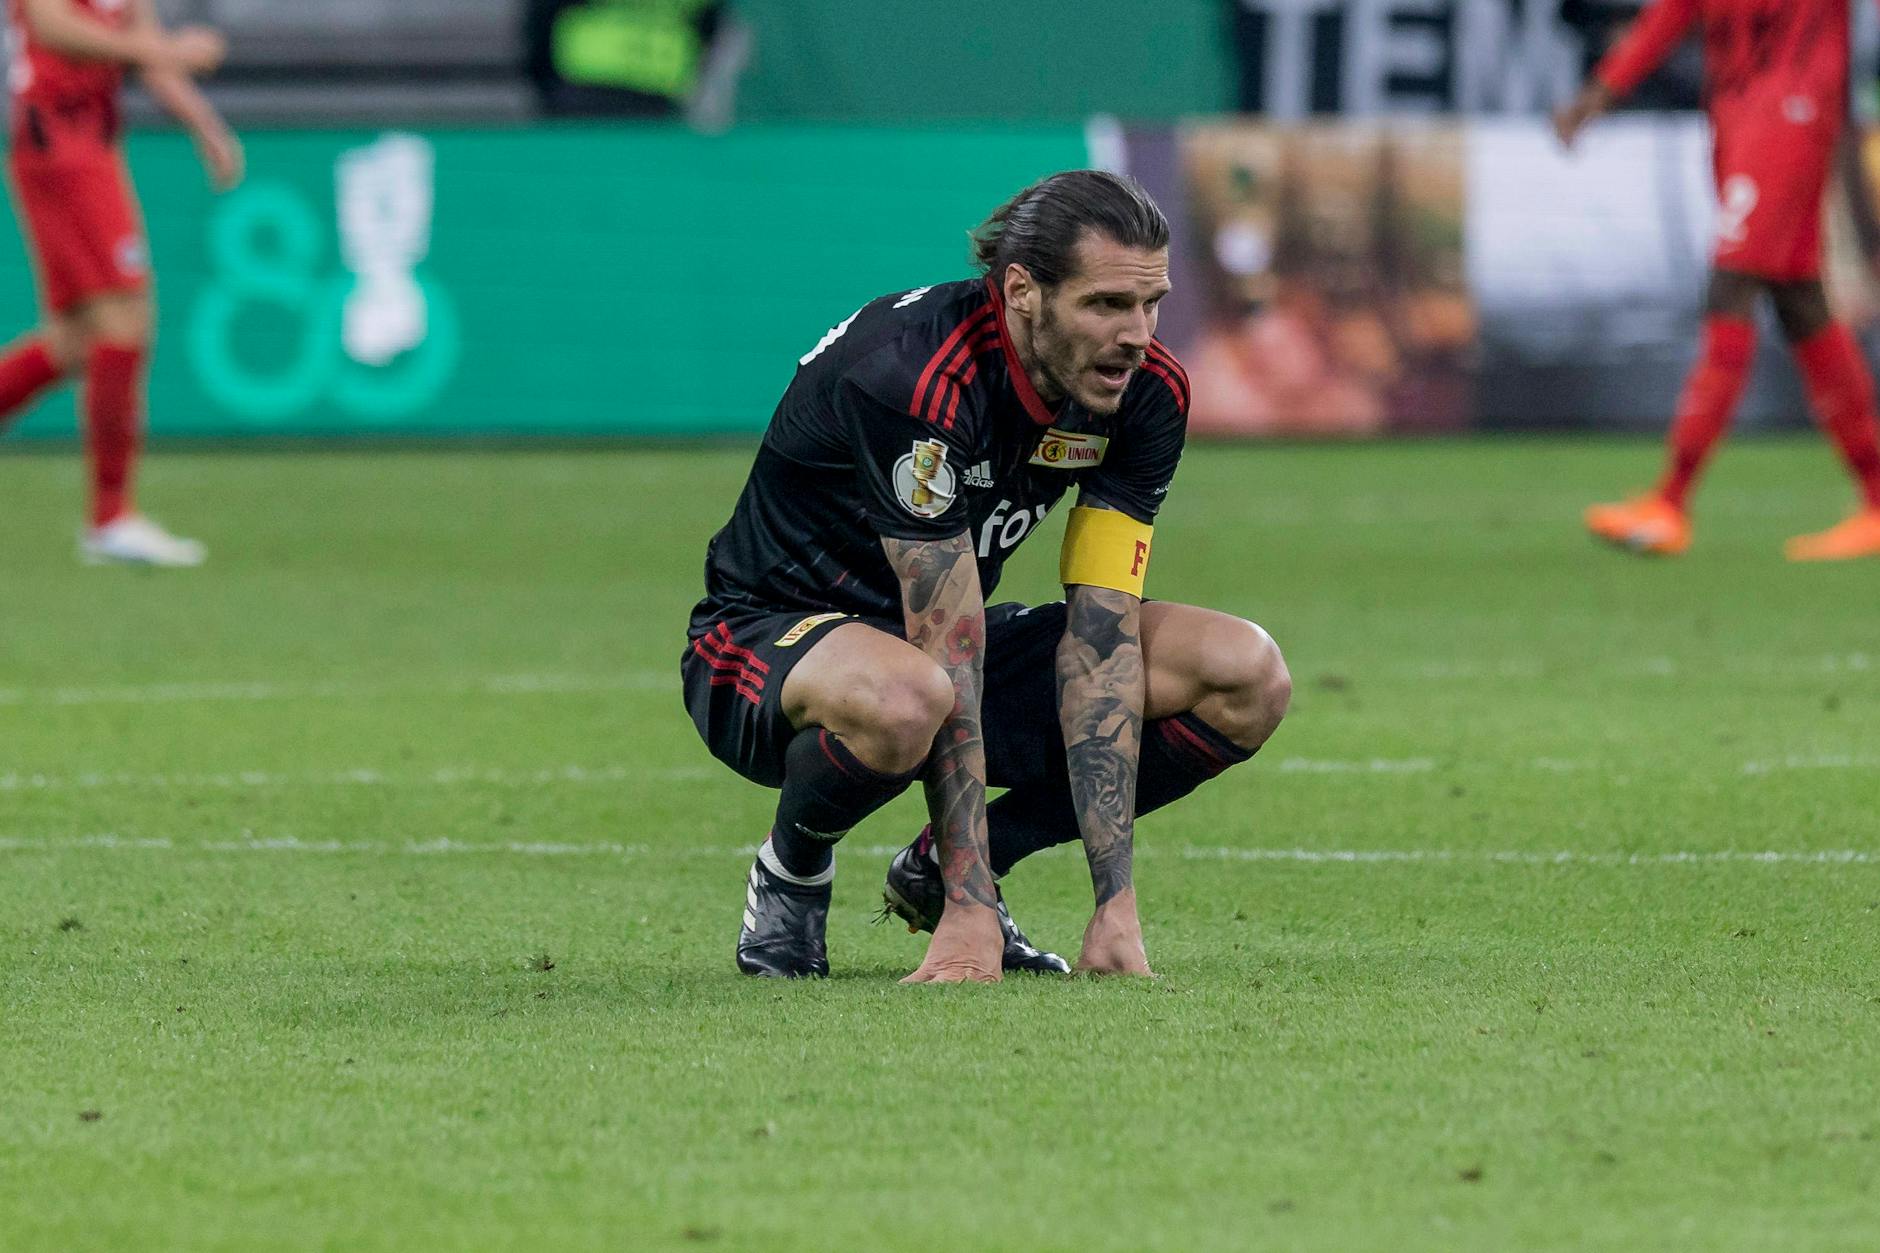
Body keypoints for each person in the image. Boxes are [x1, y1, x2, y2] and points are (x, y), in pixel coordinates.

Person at [681, 170, 1292, 982]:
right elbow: (947, 648)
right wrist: (972, 914)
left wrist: (1114, 900)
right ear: (1023, 291)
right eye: (1106, 304)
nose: (1138, 335)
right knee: (911, 694)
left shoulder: (1144, 396)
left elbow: (1103, 631)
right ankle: (793, 867)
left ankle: (948, 863)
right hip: (766, 640)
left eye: (1151, 303)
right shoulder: (917, 378)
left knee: (1245, 673)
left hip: (937, 638)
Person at [1556, 0, 1880, 561]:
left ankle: (1671, 500)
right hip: (1736, 111)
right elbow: (1670, 13)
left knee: (1732, 286)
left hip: (1792, 110)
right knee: (1800, 302)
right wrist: (1602, 92)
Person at [0, 0, 242, 566]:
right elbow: (52, 25)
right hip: (55, 139)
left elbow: (144, 42)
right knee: (125, 322)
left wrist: (204, 124)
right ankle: (110, 518)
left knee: (76, 342)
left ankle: (111, 519)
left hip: (91, 141)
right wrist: (162, 50)